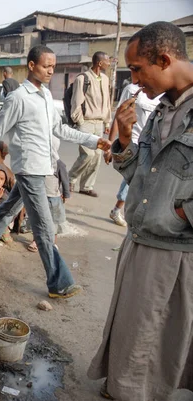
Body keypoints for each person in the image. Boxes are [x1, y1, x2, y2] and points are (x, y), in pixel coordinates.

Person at [88, 21, 193, 401]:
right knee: (132, 327)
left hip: (174, 250)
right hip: (140, 238)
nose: (133, 81)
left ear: (164, 59)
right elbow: (140, 177)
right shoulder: (163, 109)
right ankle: (122, 390)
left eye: (136, 69)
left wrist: (180, 214)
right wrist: (126, 139)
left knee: (154, 334)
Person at [0, 45, 112, 299]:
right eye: (46, 66)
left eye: (53, 66)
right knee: (45, 228)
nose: (51, 71)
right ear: (31, 66)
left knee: (5, 211)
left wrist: (94, 140)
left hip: (43, 167)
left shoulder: (47, 96)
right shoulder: (18, 98)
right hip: (29, 170)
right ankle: (58, 283)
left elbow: (60, 130)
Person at [106, 82, 162, 226]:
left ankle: (120, 210)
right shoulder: (132, 90)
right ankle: (118, 209)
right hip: (134, 143)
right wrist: (110, 144)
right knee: (135, 178)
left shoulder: (163, 94)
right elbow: (119, 117)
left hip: (153, 145)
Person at [68, 51, 112, 198]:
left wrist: (107, 121)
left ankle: (86, 186)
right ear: (100, 63)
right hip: (86, 122)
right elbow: (76, 102)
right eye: (107, 61)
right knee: (87, 154)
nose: (109, 63)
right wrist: (79, 121)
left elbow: (107, 102)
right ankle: (70, 179)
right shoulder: (83, 78)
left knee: (97, 156)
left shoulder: (105, 79)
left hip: (99, 123)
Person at [28, 137, 68, 252]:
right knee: (37, 219)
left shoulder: (59, 164)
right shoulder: (37, 161)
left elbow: (65, 180)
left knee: (54, 222)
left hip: (54, 198)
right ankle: (36, 241)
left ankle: (53, 243)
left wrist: (65, 194)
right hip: (39, 197)